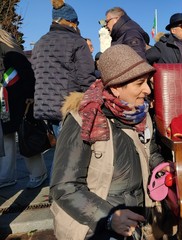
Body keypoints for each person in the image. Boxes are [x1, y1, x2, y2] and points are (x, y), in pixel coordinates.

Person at [50, 44, 166, 239]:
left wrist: (164, 167)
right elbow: (64, 187)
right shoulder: (84, 119)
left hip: (135, 218)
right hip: (93, 224)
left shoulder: (140, 114)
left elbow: (150, 151)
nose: (147, 90)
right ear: (115, 88)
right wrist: (110, 217)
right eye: (139, 83)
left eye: (147, 82)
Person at [31, 0, 96, 137]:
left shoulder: (40, 42)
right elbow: (86, 77)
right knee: (74, 153)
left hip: (45, 107)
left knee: (61, 153)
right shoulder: (77, 41)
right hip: (69, 107)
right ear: (71, 22)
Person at [0, 29, 47, 189]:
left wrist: (30, 96)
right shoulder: (9, 50)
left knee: (25, 135)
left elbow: (27, 75)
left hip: (18, 101)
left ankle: (38, 173)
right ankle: (7, 176)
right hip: (8, 102)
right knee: (8, 137)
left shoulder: (11, 53)